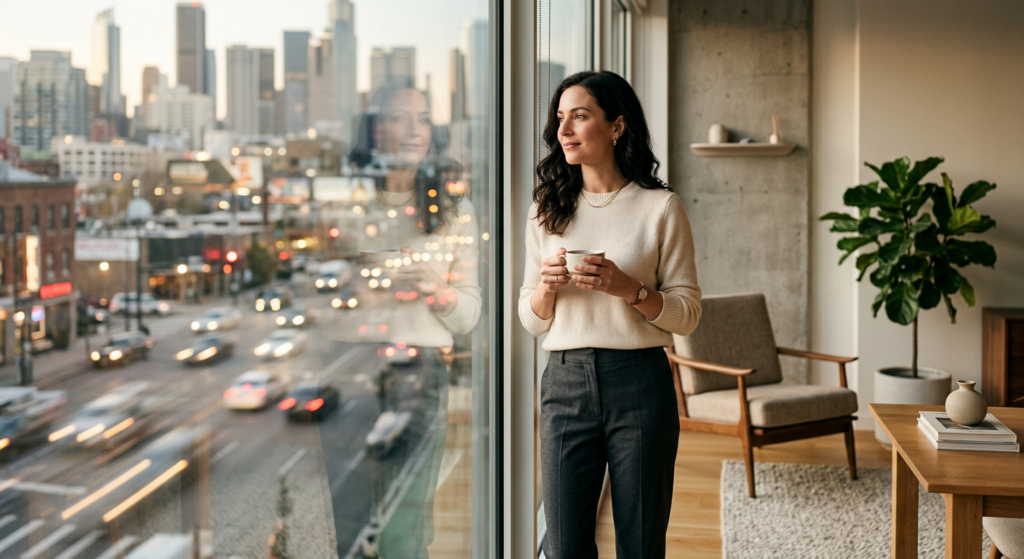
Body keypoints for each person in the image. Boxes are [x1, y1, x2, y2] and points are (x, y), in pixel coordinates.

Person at [519, 70, 702, 559]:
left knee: (641, 544)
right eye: (560, 118)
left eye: (579, 116)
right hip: (563, 386)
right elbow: (531, 318)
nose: (564, 130)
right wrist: (545, 290)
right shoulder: (546, 209)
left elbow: (687, 315)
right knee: (563, 547)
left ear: (617, 126)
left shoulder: (660, 208)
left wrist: (631, 289)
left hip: (640, 384)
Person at [337, 83, 482, 559]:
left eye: (423, 119)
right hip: (350, 370)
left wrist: (437, 291)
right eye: (401, 117)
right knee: (345, 521)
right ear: (376, 130)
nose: (414, 131)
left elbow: (468, 316)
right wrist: (354, 285)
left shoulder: (455, 213)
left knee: (405, 528)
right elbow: (315, 297)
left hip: (419, 373)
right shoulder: (346, 208)